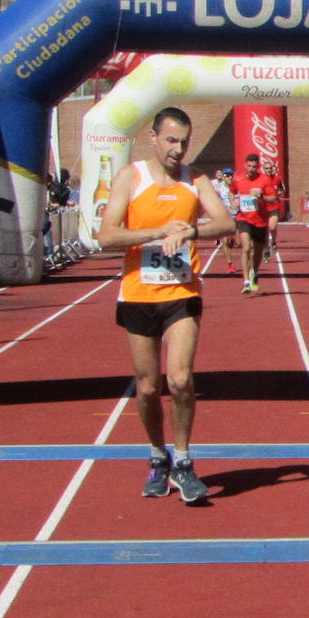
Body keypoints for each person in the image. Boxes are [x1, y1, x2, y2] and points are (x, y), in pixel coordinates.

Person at [97, 107, 234, 503]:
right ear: (154, 138)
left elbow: (226, 223)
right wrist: (159, 233)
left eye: (184, 142)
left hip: (182, 294)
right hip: (139, 294)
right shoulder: (131, 177)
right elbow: (107, 236)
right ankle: (158, 457)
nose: (178, 149)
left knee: (179, 380)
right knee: (146, 387)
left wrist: (190, 231)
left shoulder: (196, 179)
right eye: (171, 140)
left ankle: (185, 462)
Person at [230, 153, 278, 294]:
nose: (252, 169)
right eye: (249, 166)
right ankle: (245, 281)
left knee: (257, 251)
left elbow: (273, 199)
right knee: (245, 248)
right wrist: (234, 202)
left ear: (258, 167)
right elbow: (231, 192)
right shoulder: (238, 178)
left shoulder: (264, 180)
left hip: (260, 220)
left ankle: (254, 273)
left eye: (254, 166)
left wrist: (262, 196)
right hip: (243, 218)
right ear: (245, 165)